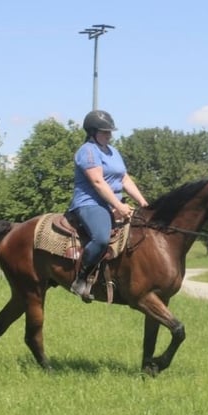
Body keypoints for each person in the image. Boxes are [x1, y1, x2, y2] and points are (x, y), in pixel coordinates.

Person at [68, 109, 148, 301]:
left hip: (112, 202)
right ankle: (81, 279)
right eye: (105, 132)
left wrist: (142, 201)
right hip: (90, 203)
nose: (109, 135)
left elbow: (124, 179)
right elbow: (97, 182)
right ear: (93, 132)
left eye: (110, 132)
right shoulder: (87, 151)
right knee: (102, 238)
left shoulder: (113, 152)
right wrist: (118, 206)